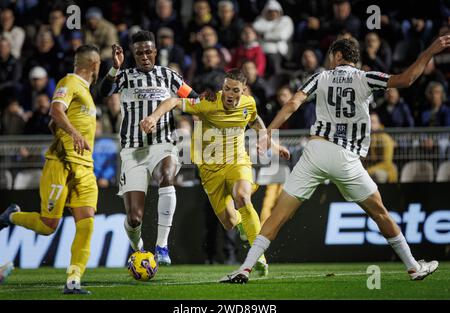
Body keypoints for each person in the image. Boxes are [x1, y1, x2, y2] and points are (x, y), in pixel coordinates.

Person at [220, 36, 449, 284]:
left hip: (315, 152)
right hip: (346, 158)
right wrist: (429, 51)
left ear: (338, 55)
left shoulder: (321, 77)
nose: (329, 60)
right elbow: (406, 79)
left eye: (331, 55)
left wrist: (268, 133)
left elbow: (293, 103)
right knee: (380, 214)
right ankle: (414, 267)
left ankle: (245, 269)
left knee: (278, 216)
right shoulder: (365, 77)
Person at [140, 69, 290, 276]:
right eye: (226, 88)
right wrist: (154, 116)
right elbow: (174, 101)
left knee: (242, 196)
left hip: (237, 161)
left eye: (234, 90)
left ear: (243, 91)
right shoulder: (208, 103)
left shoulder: (249, 103)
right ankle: (241, 226)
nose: (229, 93)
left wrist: (270, 142)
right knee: (229, 222)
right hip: (210, 170)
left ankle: (258, 257)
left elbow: (254, 120)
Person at [0, 44, 101, 294]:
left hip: (86, 168)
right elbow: (56, 110)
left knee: (86, 222)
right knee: (47, 226)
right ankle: (11, 215)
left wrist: (62, 128)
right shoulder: (69, 81)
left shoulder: (87, 92)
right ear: (95, 65)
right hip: (61, 164)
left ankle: (73, 280)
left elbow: (55, 121)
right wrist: (74, 133)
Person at [99, 31, 200, 265]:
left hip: (162, 143)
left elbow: (193, 99)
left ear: (155, 52)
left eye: (148, 51)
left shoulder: (169, 76)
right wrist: (114, 67)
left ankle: (162, 247)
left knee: (167, 175)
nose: (144, 56)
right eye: (139, 53)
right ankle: (139, 247)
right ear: (133, 55)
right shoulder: (124, 77)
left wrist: (189, 110)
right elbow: (103, 92)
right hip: (133, 151)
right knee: (134, 218)